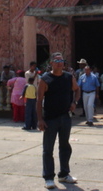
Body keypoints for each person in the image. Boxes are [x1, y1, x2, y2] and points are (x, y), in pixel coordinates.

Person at [37, 52, 80, 189]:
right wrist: (40, 119)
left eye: (61, 60)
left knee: (65, 146)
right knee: (48, 149)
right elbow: (39, 100)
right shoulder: (45, 79)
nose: (59, 62)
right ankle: (49, 177)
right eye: (56, 60)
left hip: (65, 117)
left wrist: (75, 102)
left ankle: (64, 174)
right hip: (50, 118)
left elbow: (77, 89)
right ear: (51, 63)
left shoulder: (68, 77)